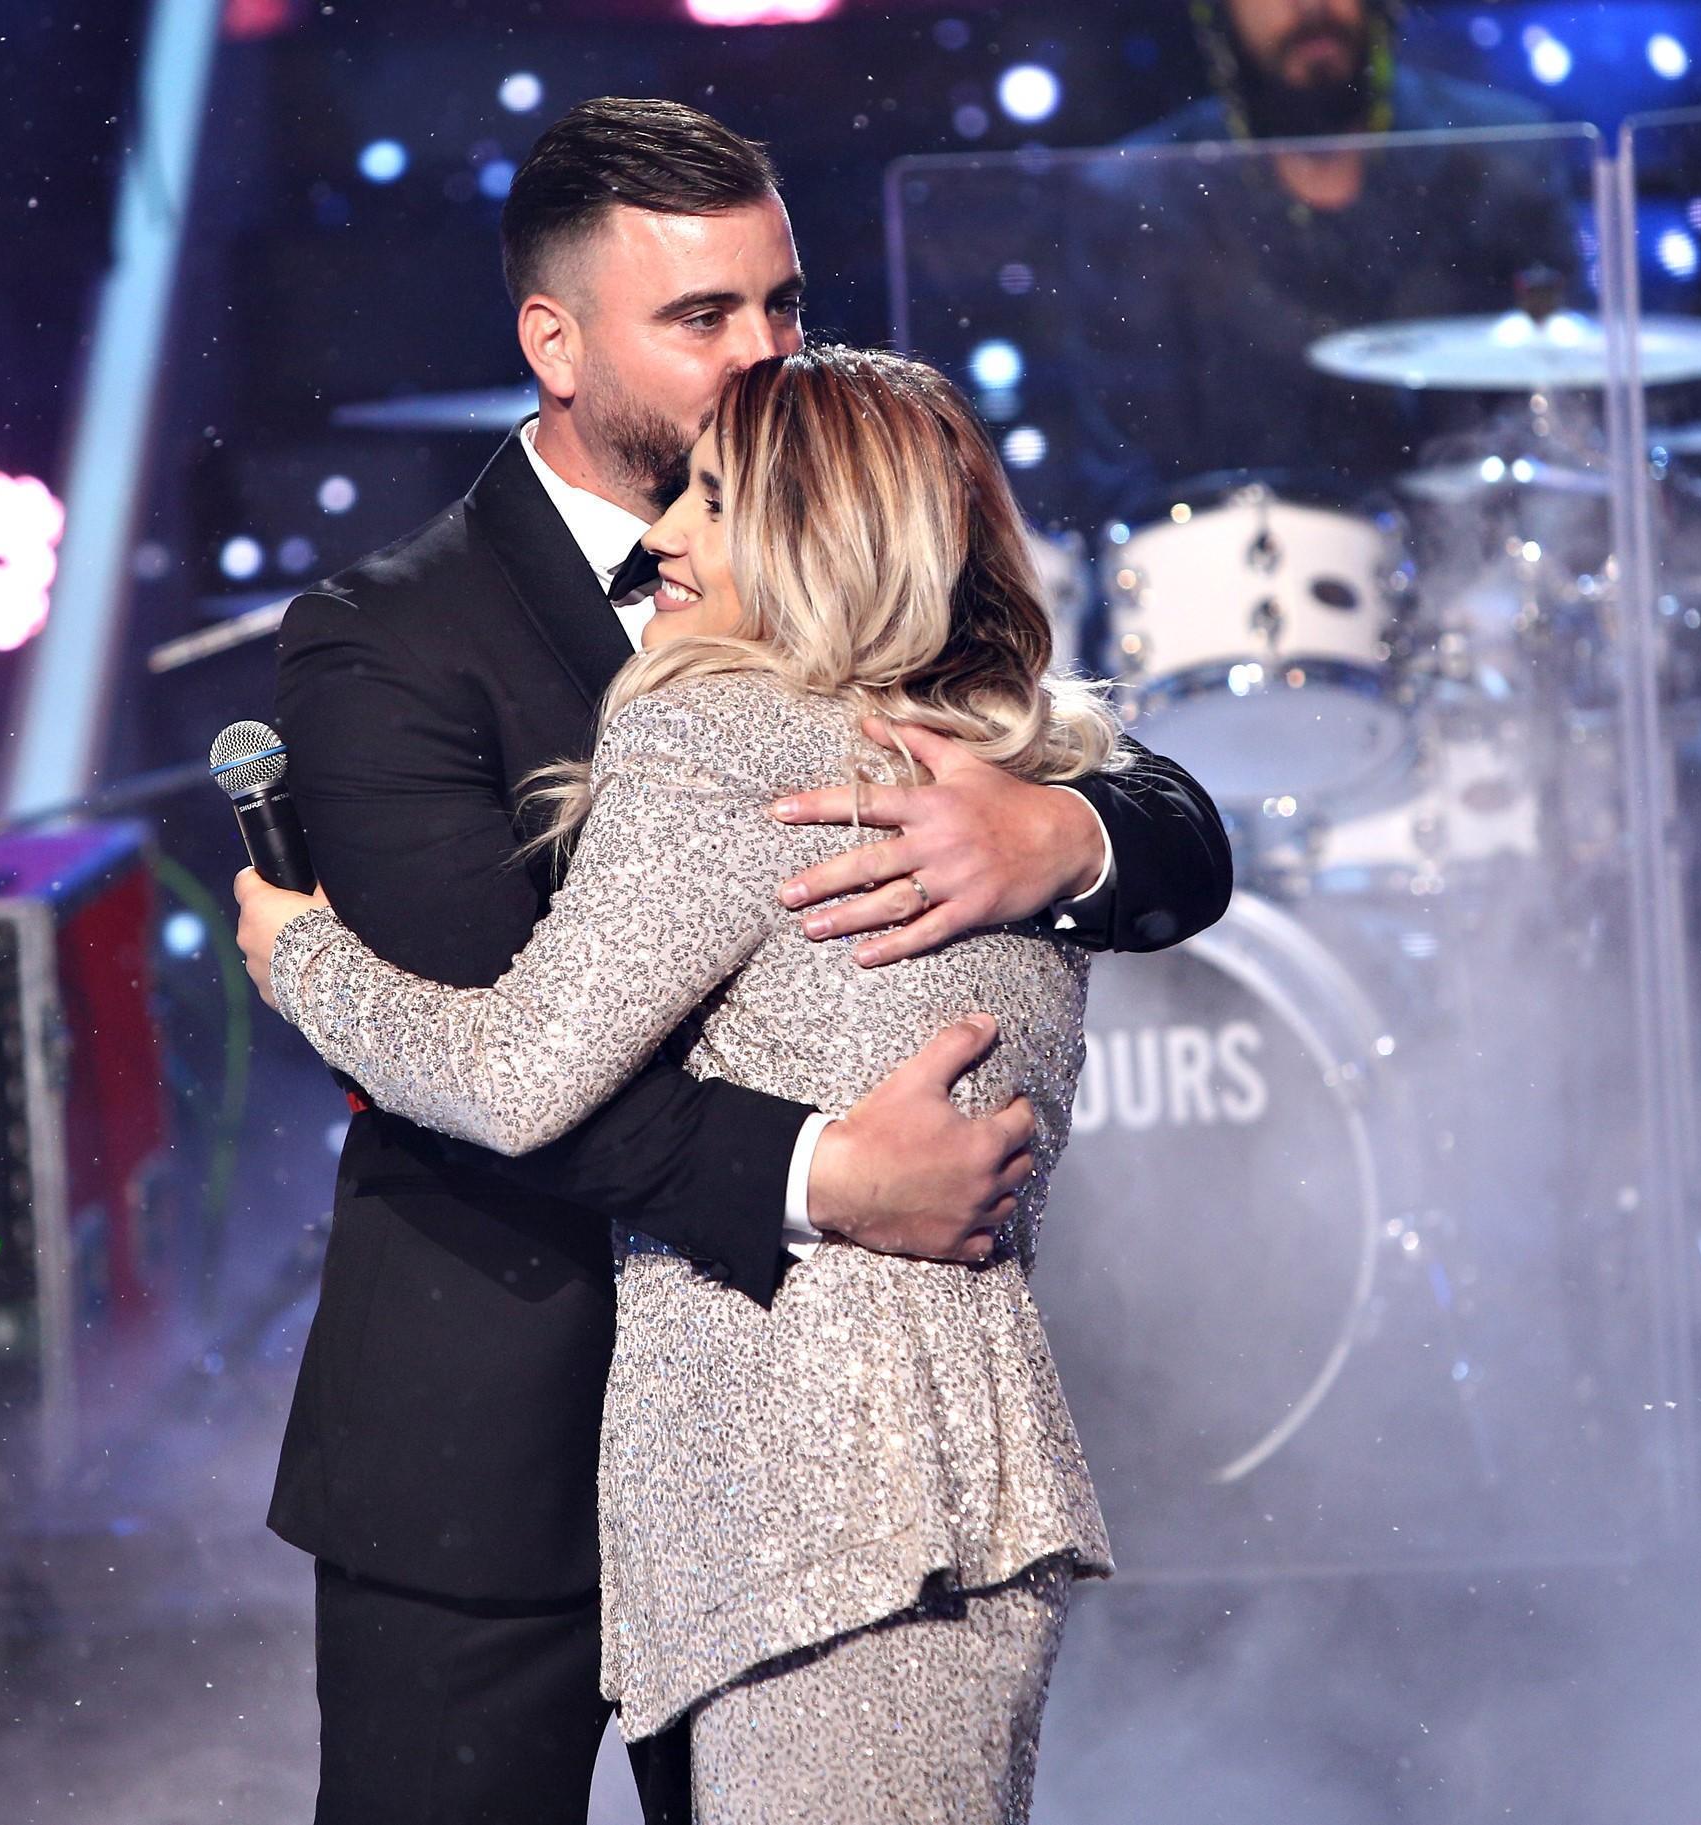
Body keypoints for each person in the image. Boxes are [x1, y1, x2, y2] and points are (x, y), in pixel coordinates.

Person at [263, 100, 1231, 1824]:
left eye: (782, 303)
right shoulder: (388, 636)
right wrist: (824, 1174)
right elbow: (511, 1051)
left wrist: (1054, 833)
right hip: (490, 1452)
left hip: (815, 1472)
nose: (764, 353)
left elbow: (1170, 821)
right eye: (701, 318)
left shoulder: (854, 557)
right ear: (555, 344)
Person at [1068, 0, 1579, 501]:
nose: (1310, 7)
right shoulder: (1141, 197)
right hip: (1241, 543)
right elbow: (1124, 469)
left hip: (1471, 536)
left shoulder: (1500, 159)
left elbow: (1566, 407)